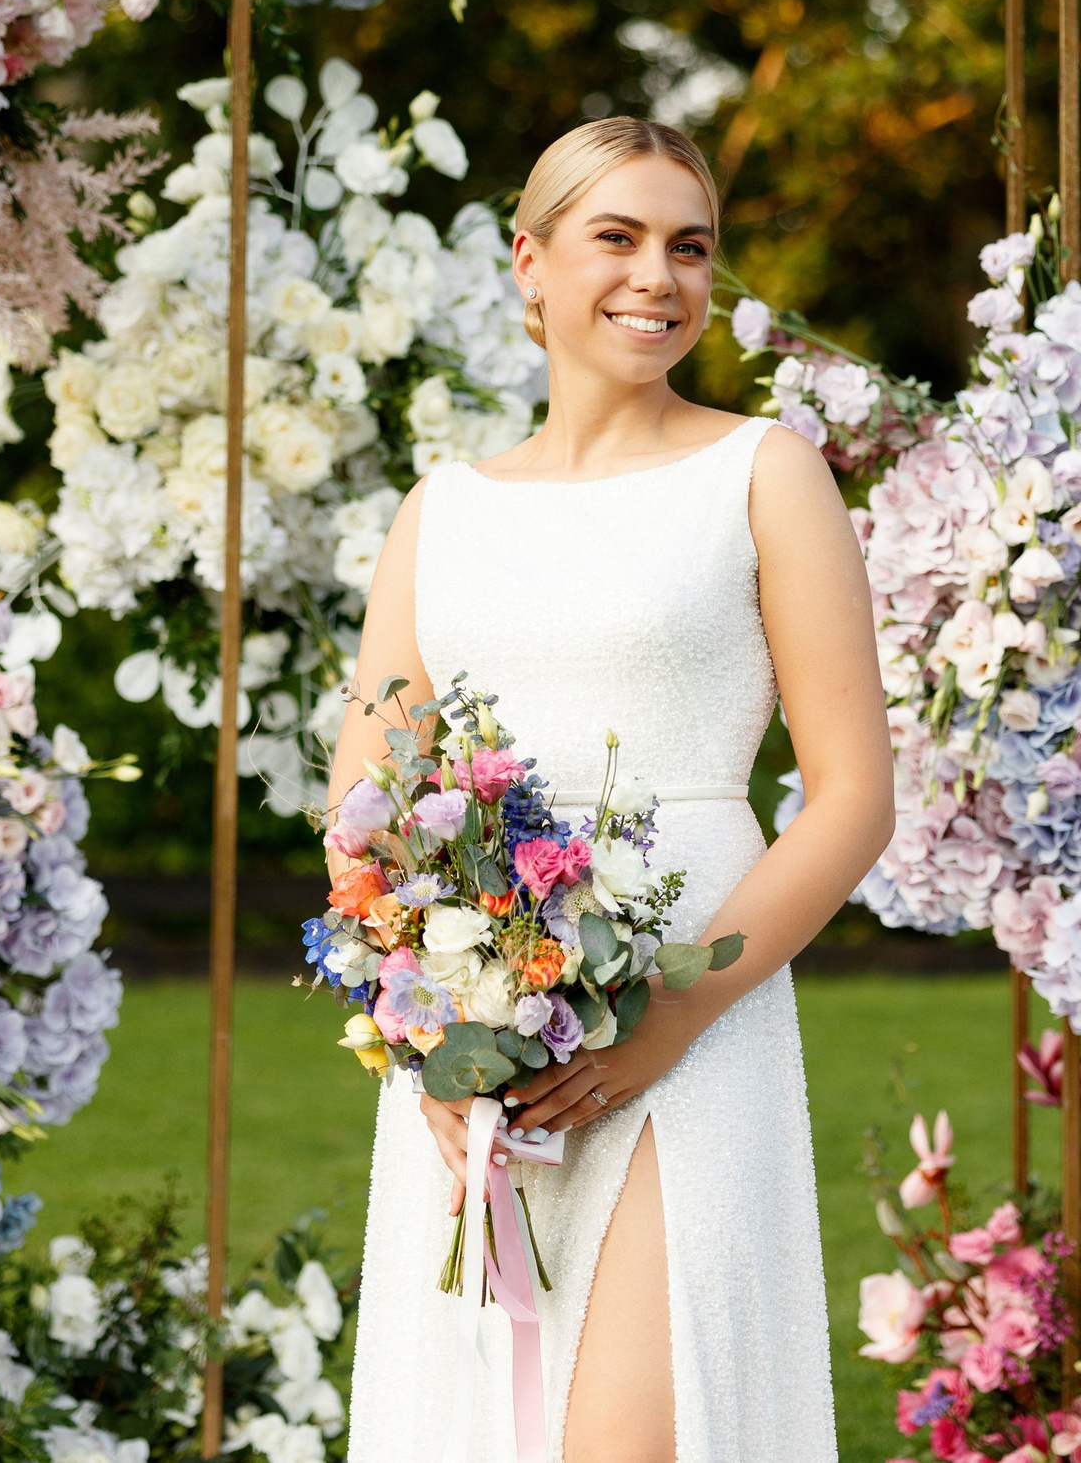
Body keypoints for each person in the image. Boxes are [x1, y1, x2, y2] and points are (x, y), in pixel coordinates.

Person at [335, 117, 895, 1463]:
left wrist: (674, 1015)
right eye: (620, 238)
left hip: (690, 1012)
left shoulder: (763, 473)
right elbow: (362, 803)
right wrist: (421, 1032)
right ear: (529, 265)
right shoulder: (441, 513)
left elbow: (853, 795)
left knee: (647, 1435)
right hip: (475, 1043)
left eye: (689, 248)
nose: (661, 277)